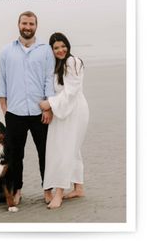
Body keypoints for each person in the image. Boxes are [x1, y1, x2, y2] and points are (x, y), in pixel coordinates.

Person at [0, 11, 55, 205]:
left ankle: (48, 189)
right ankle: (17, 189)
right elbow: (1, 81)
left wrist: (49, 107)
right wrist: (5, 109)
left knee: (45, 152)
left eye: (31, 24)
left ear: (36, 26)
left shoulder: (45, 50)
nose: (27, 27)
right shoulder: (6, 51)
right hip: (15, 112)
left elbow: (49, 79)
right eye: (24, 23)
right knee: (15, 155)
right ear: (18, 24)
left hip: (40, 112)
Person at [39, 32, 89, 209]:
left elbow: (71, 92)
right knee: (72, 148)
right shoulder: (59, 64)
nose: (60, 50)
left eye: (63, 46)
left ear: (68, 45)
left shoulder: (72, 61)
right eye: (56, 48)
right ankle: (79, 188)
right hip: (66, 109)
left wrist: (49, 103)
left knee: (65, 149)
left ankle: (58, 193)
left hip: (74, 110)